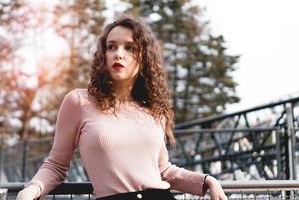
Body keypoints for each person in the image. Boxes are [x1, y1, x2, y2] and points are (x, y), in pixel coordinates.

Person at [16, 14, 227, 200]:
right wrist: (31, 190)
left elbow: (164, 170)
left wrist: (208, 180)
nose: (119, 54)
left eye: (129, 48)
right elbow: (56, 165)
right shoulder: (79, 102)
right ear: (103, 55)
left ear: (143, 57)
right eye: (111, 46)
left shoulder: (152, 110)